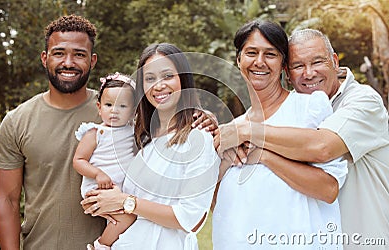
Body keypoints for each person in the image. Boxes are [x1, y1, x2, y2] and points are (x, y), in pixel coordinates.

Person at [216, 28, 389, 249]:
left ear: (334, 61)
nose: (309, 74)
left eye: (317, 62)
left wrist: (250, 134)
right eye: (298, 66)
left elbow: (322, 147)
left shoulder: (363, 101)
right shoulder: (295, 112)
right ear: (287, 72)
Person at [81, 43, 220, 250]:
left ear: (183, 79)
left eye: (167, 76)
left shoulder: (198, 139)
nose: (159, 85)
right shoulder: (142, 139)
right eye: (150, 78)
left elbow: (192, 219)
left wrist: (126, 202)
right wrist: (101, 200)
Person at [0, 15, 106, 249]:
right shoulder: (17, 121)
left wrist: (203, 118)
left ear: (92, 61)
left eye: (79, 54)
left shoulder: (117, 112)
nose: (68, 62)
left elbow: (171, 128)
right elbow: (7, 199)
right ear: (45, 58)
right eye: (59, 53)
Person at [73, 72, 138, 249]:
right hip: (98, 188)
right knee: (128, 217)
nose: (114, 110)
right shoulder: (95, 133)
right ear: (99, 107)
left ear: (133, 111)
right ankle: (101, 245)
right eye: (109, 105)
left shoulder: (133, 131)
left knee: (132, 217)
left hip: (121, 190)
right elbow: (79, 160)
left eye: (122, 106)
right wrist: (98, 174)